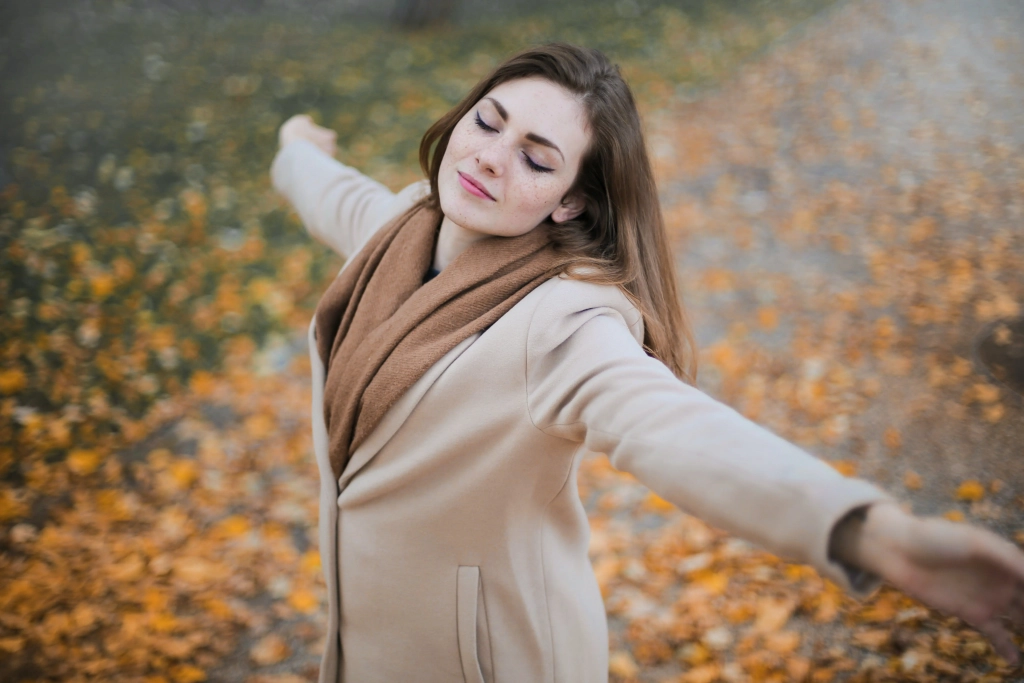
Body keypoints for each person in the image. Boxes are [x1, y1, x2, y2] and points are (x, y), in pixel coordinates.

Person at [270, 43, 1024, 683]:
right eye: (488, 122)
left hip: (496, 660)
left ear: (569, 202)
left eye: (537, 159)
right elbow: (332, 194)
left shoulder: (563, 321)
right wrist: (296, 146)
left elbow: (675, 429)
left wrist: (870, 532)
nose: (490, 160)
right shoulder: (399, 228)